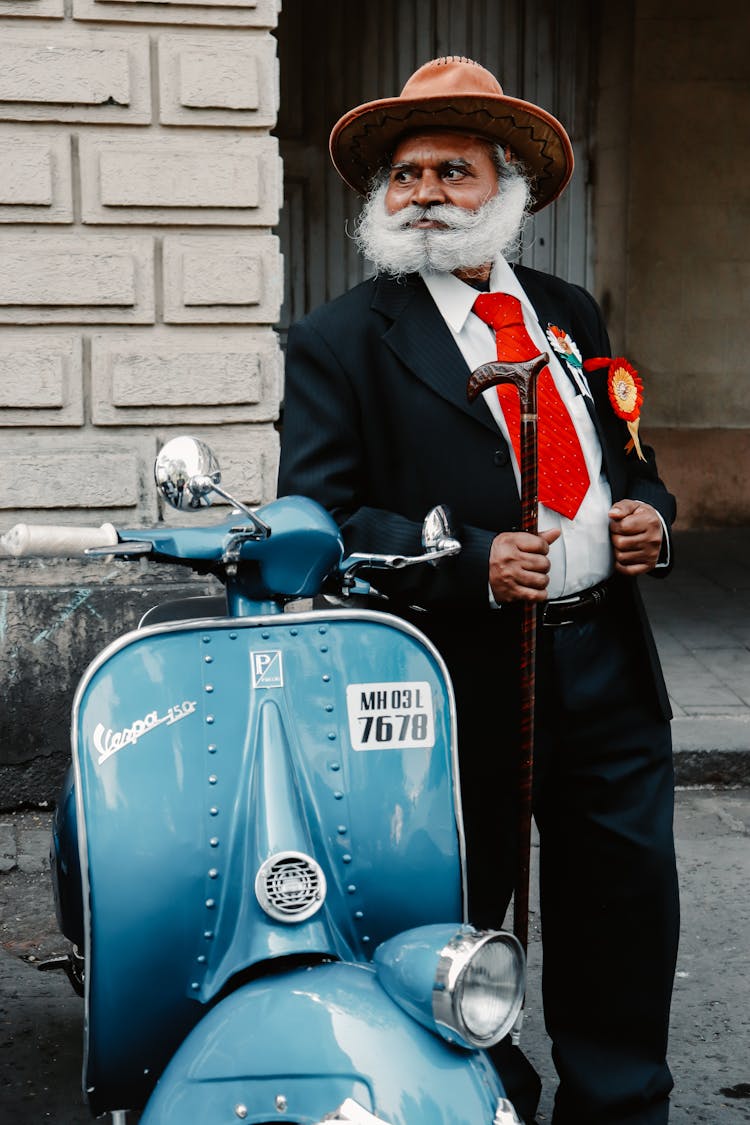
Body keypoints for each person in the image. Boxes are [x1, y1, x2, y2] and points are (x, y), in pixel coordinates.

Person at [278, 56, 679, 1125]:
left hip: (604, 662)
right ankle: (472, 1100)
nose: (423, 195)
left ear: (510, 189)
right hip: (451, 677)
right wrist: (464, 558)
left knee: (621, 907)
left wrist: (651, 516)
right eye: (405, 175)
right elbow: (319, 519)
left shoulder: (568, 312)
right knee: (454, 914)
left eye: (453, 171)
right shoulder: (340, 339)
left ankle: (618, 1103)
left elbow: (624, 461)